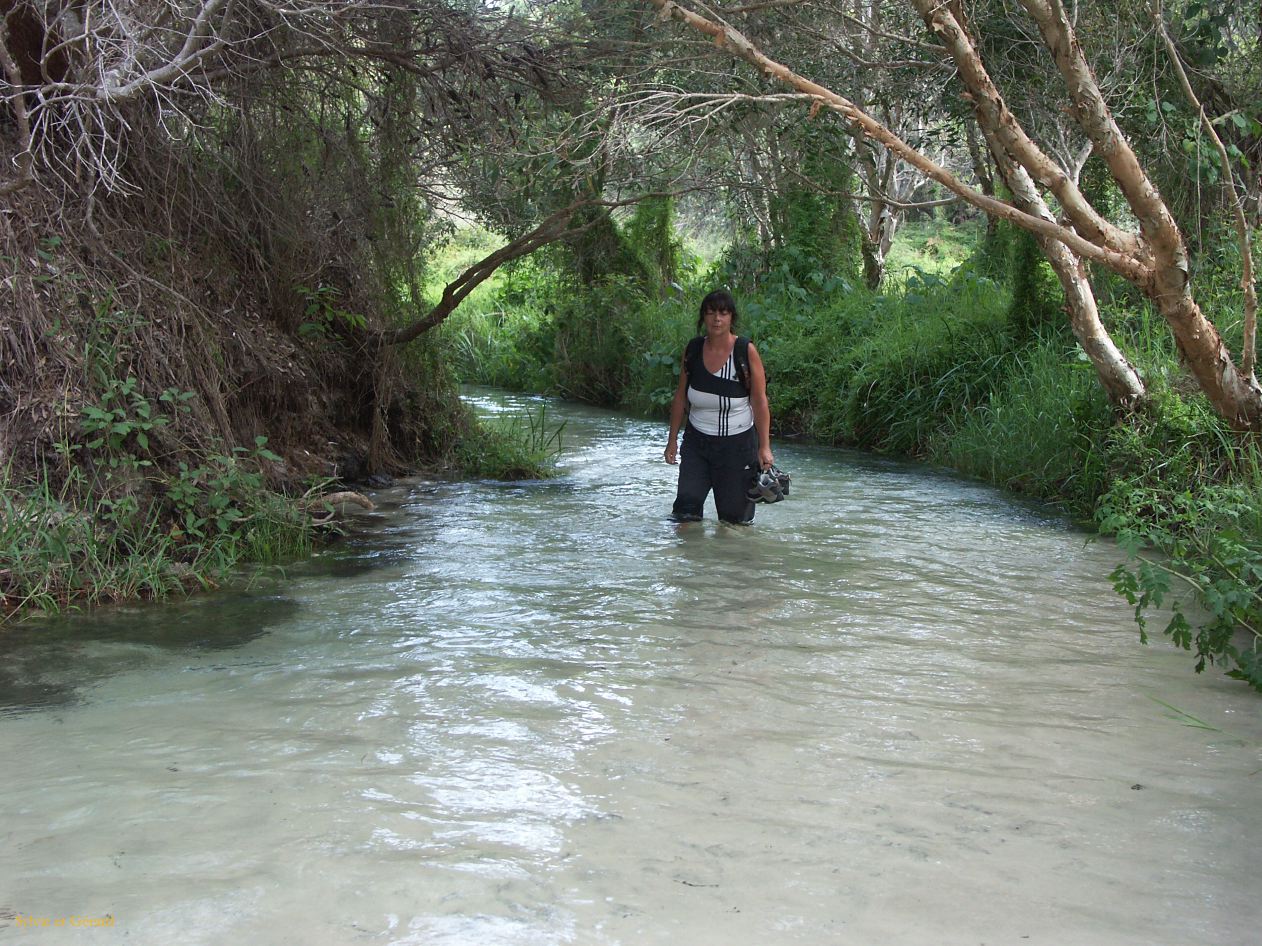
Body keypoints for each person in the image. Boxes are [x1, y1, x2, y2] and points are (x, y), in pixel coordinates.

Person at [664, 289, 774, 524]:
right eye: (711, 313)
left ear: (731, 318)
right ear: (703, 317)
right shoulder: (693, 350)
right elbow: (680, 397)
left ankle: (728, 561)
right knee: (685, 514)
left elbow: (759, 401)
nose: (717, 319)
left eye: (723, 313)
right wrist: (672, 440)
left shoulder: (745, 351)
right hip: (697, 445)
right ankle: (688, 559)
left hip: (738, 446)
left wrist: (764, 447)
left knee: (734, 523)